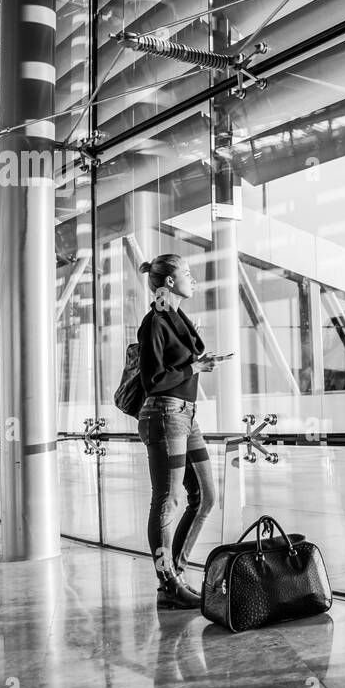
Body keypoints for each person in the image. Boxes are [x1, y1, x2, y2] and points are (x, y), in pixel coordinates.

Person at [137, 253, 224, 610]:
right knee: (168, 498)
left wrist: (198, 364)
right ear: (169, 281)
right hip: (164, 414)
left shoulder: (173, 318)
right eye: (187, 274)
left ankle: (177, 575)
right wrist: (195, 368)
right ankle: (168, 582)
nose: (194, 279)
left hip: (187, 415)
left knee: (205, 495)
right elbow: (153, 380)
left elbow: (190, 355)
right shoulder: (154, 324)